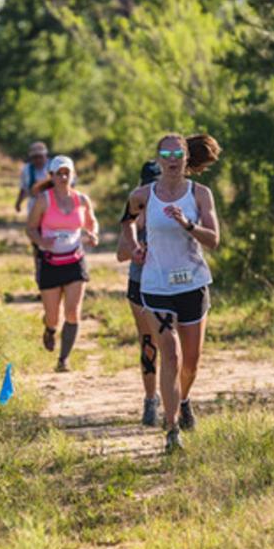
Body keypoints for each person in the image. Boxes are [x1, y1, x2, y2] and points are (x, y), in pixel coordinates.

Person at [120, 134, 221, 453]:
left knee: (191, 362)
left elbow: (214, 240)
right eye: (166, 153)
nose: (172, 158)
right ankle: (172, 427)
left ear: (186, 158)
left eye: (178, 153)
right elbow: (126, 227)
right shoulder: (141, 195)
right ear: (159, 159)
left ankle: (184, 399)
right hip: (156, 285)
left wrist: (187, 224)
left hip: (192, 284)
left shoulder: (201, 194)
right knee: (171, 354)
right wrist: (134, 247)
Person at [26, 155, 99, 372]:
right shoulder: (44, 200)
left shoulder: (82, 200)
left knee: (73, 312)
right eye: (59, 173)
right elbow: (30, 228)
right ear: (52, 175)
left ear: (73, 175)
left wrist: (93, 234)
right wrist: (41, 241)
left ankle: (63, 359)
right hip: (50, 262)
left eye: (67, 172)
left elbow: (91, 222)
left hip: (75, 262)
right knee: (53, 316)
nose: (63, 176)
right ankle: (49, 329)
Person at [117, 160, 163, 426]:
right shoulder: (134, 210)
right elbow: (121, 254)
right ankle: (149, 399)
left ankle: (177, 400)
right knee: (149, 342)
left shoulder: (174, 205)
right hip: (140, 284)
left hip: (171, 285)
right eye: (147, 185)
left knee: (172, 344)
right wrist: (137, 249)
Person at [15, 142, 50, 214]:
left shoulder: (53, 166)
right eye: (35, 157)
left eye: (40, 157)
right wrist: (18, 202)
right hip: (33, 202)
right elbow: (23, 188)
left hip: (51, 203)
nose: (38, 160)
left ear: (45, 155)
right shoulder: (26, 169)